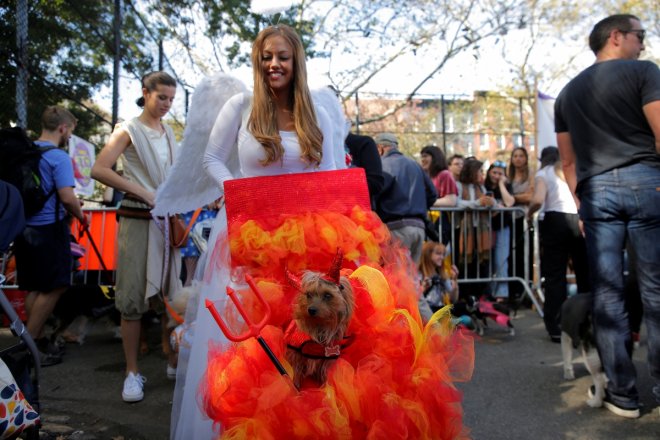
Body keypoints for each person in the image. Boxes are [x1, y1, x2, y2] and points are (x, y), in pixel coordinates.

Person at [169, 25, 473, 440]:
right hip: (253, 232)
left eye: (282, 57)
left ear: (296, 62)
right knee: (260, 331)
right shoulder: (240, 106)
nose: (273, 64)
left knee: (324, 330)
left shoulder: (317, 109)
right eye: (266, 57)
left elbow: (333, 172)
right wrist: (238, 191)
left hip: (313, 233)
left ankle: (317, 422)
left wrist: (358, 228)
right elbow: (211, 159)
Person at [555, 14, 660, 418]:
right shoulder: (644, 72)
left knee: (609, 295)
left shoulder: (567, 93)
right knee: (655, 290)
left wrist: (583, 204)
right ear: (616, 36)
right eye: (640, 36)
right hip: (646, 181)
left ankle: (623, 394)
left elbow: (567, 161)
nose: (644, 44)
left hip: (596, 192)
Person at [91, 71, 180, 403]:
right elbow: (99, 168)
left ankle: (172, 358)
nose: (167, 105)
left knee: (172, 294)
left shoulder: (169, 131)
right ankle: (131, 372)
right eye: (162, 98)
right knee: (131, 299)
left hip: (166, 219)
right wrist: (142, 191)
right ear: (146, 93)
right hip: (136, 218)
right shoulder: (128, 128)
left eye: (172, 99)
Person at [13, 106, 86, 366]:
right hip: (49, 228)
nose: (69, 136)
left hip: (24, 228)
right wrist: (80, 215)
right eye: (70, 131)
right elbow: (67, 196)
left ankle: (36, 339)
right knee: (57, 284)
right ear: (63, 128)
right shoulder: (58, 157)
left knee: (36, 285)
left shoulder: (26, 151)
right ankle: (30, 343)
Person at [527, 147, 590, 342]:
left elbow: (537, 200)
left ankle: (556, 326)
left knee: (555, 277)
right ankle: (586, 321)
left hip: (555, 221)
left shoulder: (544, 173)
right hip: (579, 219)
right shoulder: (577, 169)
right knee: (584, 274)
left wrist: (529, 215)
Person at [374, 133, 437, 264]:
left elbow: (376, 193)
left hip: (396, 229)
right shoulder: (415, 164)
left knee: (397, 278)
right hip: (419, 229)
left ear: (380, 148)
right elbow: (432, 193)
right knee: (412, 278)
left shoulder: (383, 165)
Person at [455, 158, 494, 298]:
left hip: (480, 229)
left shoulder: (481, 187)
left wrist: (491, 203)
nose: (482, 174)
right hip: (465, 230)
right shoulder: (459, 185)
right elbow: (457, 203)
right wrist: (477, 203)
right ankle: (466, 295)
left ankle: (480, 296)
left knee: (480, 263)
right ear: (472, 171)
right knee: (466, 263)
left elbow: (486, 202)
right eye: (480, 171)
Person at [484, 160, 515, 302]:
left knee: (501, 259)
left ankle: (501, 294)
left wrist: (502, 184)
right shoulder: (484, 186)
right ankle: (489, 292)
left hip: (503, 226)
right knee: (487, 260)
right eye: (494, 172)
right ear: (489, 172)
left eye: (500, 173)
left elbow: (509, 202)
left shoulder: (507, 186)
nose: (496, 176)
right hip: (486, 227)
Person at [507, 147, 534, 303]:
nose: (518, 159)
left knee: (525, 255)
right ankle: (512, 291)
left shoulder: (531, 175)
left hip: (524, 219)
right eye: (515, 156)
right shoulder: (508, 176)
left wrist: (513, 198)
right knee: (511, 256)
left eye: (521, 156)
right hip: (508, 220)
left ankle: (525, 291)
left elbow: (531, 196)